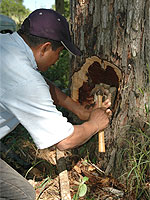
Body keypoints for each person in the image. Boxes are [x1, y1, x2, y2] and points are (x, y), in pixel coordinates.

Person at [0, 9, 111, 200]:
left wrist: (80, 111)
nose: (58, 60)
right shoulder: (25, 80)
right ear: (45, 48)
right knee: (22, 194)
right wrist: (94, 124)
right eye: (59, 53)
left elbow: (41, 84)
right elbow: (65, 141)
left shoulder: (7, 45)